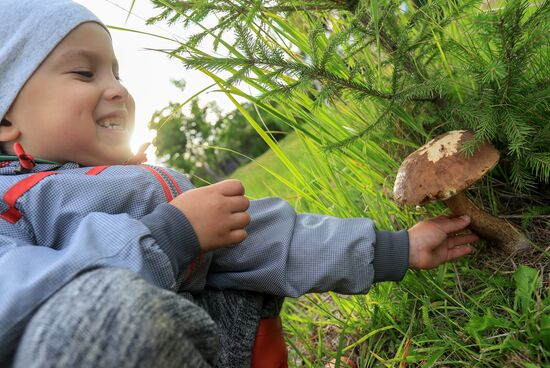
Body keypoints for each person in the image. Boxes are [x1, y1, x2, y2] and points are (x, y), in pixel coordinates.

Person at [0, 1, 478, 367]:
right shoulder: (10, 210)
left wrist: (397, 249)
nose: (118, 89)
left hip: (204, 345)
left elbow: (261, 234)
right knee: (94, 317)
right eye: (84, 72)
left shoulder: (140, 187)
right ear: (5, 121)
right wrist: (167, 238)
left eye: (117, 72)